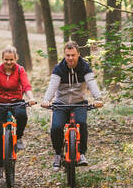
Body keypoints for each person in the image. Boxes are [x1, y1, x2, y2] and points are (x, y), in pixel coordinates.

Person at [41, 40, 103, 168]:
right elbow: (52, 86)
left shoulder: (85, 67)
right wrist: (46, 100)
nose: (70, 58)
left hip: (79, 103)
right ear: (64, 55)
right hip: (61, 104)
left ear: (78, 54)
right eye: (67, 55)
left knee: (82, 123)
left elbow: (91, 82)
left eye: (73, 55)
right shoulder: (59, 69)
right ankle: (58, 153)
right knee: (56, 127)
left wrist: (98, 98)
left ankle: (81, 153)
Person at [0, 46, 36, 179]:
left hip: (16, 101)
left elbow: (26, 85)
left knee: (22, 115)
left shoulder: (20, 70)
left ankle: (19, 137)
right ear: (2, 59)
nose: (8, 62)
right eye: (6, 59)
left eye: (11, 59)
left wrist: (31, 98)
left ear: (15, 59)